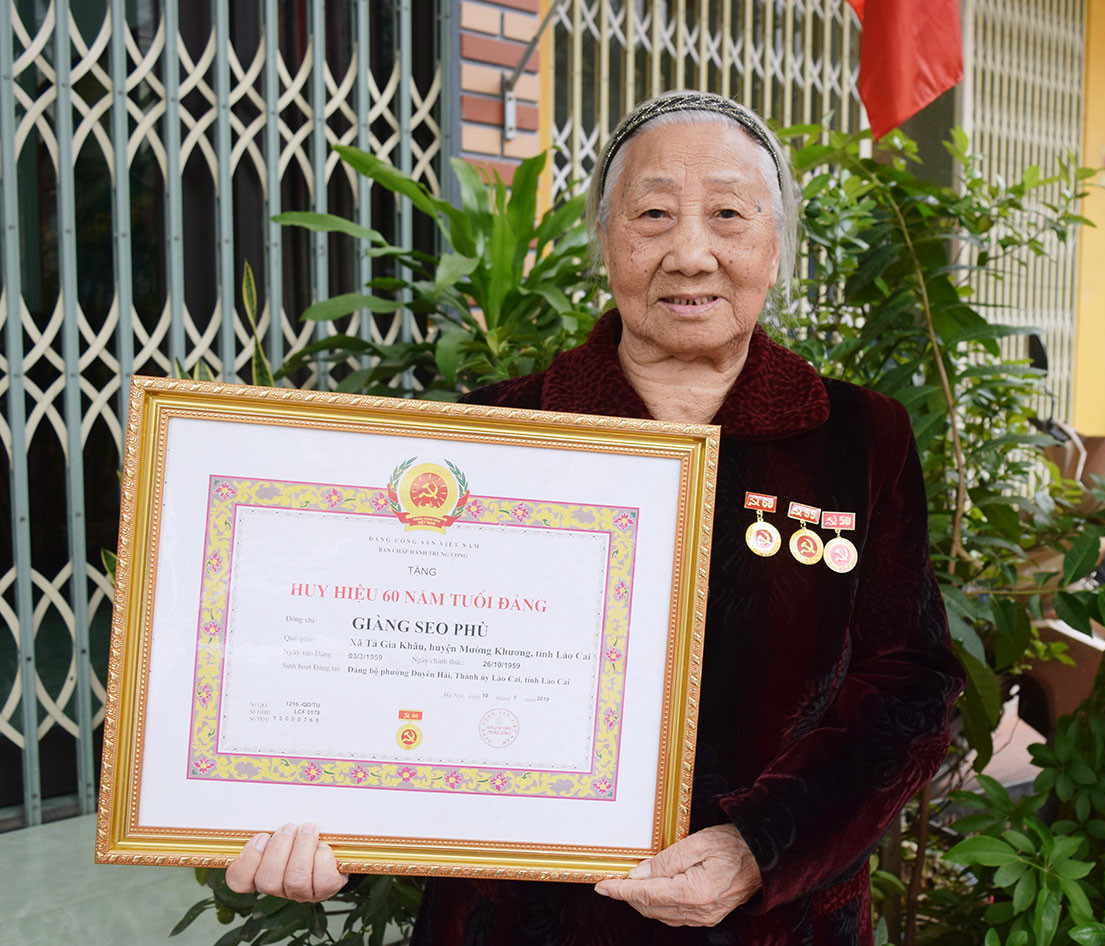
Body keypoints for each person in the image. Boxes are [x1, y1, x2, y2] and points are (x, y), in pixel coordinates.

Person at [227, 90, 966, 945]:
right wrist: (317, 819)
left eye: (728, 213)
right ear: (605, 237)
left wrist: (765, 845)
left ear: (776, 242)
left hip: (777, 921)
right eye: (653, 213)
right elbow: (385, 660)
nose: (691, 254)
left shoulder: (859, 438)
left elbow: (910, 682)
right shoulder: (494, 432)